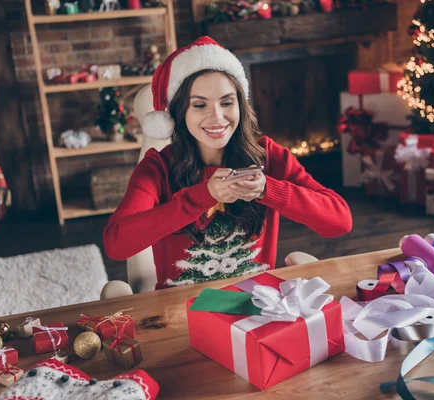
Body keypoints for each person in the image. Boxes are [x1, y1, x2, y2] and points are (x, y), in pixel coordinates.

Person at [103, 36, 352, 289]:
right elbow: (116, 244)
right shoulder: (156, 168)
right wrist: (202, 196)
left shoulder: (268, 155)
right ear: (179, 113)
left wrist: (269, 190)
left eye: (226, 102)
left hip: (257, 305)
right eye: (199, 105)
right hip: (183, 310)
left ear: (240, 106)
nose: (217, 117)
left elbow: (340, 221)